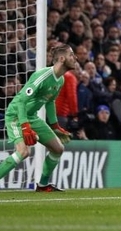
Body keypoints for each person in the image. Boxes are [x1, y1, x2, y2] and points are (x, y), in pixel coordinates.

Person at [0, 45, 77, 192]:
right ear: (62, 59)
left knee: (58, 148)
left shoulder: (60, 80)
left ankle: (43, 185)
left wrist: (55, 126)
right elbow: (22, 101)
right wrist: (24, 126)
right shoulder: (42, 76)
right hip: (16, 116)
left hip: (32, 117)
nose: (76, 58)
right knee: (23, 152)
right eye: (72, 55)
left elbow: (50, 101)